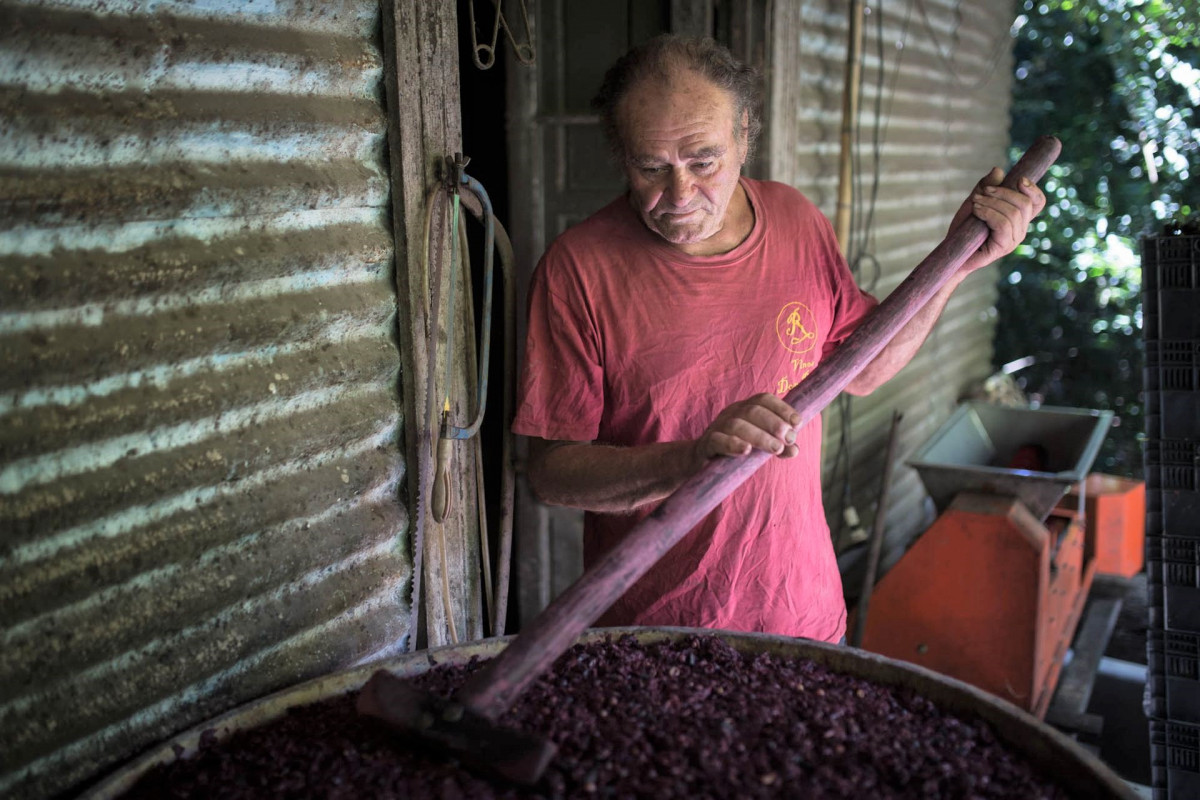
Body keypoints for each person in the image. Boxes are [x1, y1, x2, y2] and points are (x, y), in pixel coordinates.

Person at [511, 35, 1045, 643]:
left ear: (745, 133)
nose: (680, 196)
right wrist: (690, 460)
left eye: (704, 160)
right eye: (651, 167)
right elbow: (551, 474)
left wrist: (958, 265)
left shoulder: (796, 221)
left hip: (804, 619)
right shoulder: (578, 269)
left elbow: (863, 370)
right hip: (654, 637)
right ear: (620, 154)